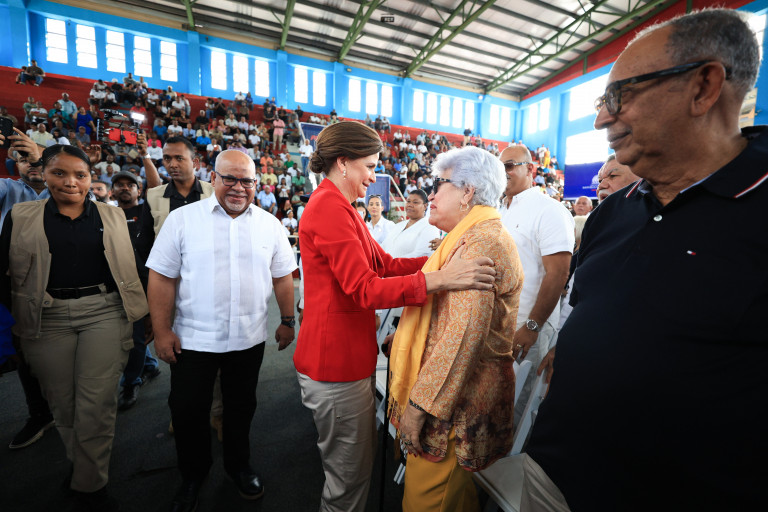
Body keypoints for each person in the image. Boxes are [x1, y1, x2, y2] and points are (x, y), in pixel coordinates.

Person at [524, 9, 768, 511]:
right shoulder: (613, 212)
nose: (601, 119)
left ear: (703, 87)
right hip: (552, 477)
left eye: (620, 96)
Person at [294, 121, 497, 512]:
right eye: (370, 166)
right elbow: (366, 288)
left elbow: (384, 264)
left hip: (346, 358)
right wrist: (441, 279)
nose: (374, 178)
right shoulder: (329, 207)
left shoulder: (340, 205)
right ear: (343, 162)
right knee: (348, 480)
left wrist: (438, 262)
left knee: (355, 470)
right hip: (334, 363)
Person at [146, 149, 297, 511]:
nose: (239, 187)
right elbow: (161, 277)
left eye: (247, 180)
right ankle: (193, 475)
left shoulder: (270, 224)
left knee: (241, 409)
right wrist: (162, 331)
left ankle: (238, 466)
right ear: (212, 178)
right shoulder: (182, 220)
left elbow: (282, 277)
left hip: (248, 339)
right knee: (187, 411)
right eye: (230, 178)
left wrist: (288, 320)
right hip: (193, 340)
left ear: (256, 184)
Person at [0, 145, 148, 511]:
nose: (71, 182)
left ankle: (89, 487)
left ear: (90, 177)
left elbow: (132, 268)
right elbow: (4, 274)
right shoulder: (20, 215)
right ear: (44, 175)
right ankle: (85, 469)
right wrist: (16, 320)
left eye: (80, 175)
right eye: (59, 173)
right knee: (63, 405)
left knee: (96, 404)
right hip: (45, 318)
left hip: (104, 312)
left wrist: (146, 318)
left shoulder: (112, 216)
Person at [387, 146, 522, 512]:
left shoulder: (481, 242)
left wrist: (417, 408)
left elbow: (461, 341)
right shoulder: (467, 235)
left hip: (453, 409)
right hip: (450, 396)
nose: (431, 195)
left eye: (439, 184)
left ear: (467, 192)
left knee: (429, 502)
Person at [498, 144, 574, 424]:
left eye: (510, 165)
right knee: (494, 404)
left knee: (518, 405)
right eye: (499, 167)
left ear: (530, 168)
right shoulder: (498, 211)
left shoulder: (549, 210)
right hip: (496, 323)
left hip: (527, 325)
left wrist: (532, 326)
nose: (504, 172)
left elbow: (558, 273)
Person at [111, 171, 159, 411]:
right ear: (112, 191)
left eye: (130, 185)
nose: (124, 188)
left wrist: (146, 156)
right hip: (115, 285)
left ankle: (131, 382)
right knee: (131, 335)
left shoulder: (146, 212)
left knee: (135, 338)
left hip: (143, 284)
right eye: (119, 185)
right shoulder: (106, 214)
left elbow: (156, 188)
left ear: (139, 191)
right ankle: (149, 365)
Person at [382, 189, 440, 258]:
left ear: (425, 206)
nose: (410, 205)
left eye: (415, 202)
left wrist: (391, 262)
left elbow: (423, 255)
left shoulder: (430, 227)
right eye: (408, 201)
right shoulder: (398, 225)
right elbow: (383, 247)